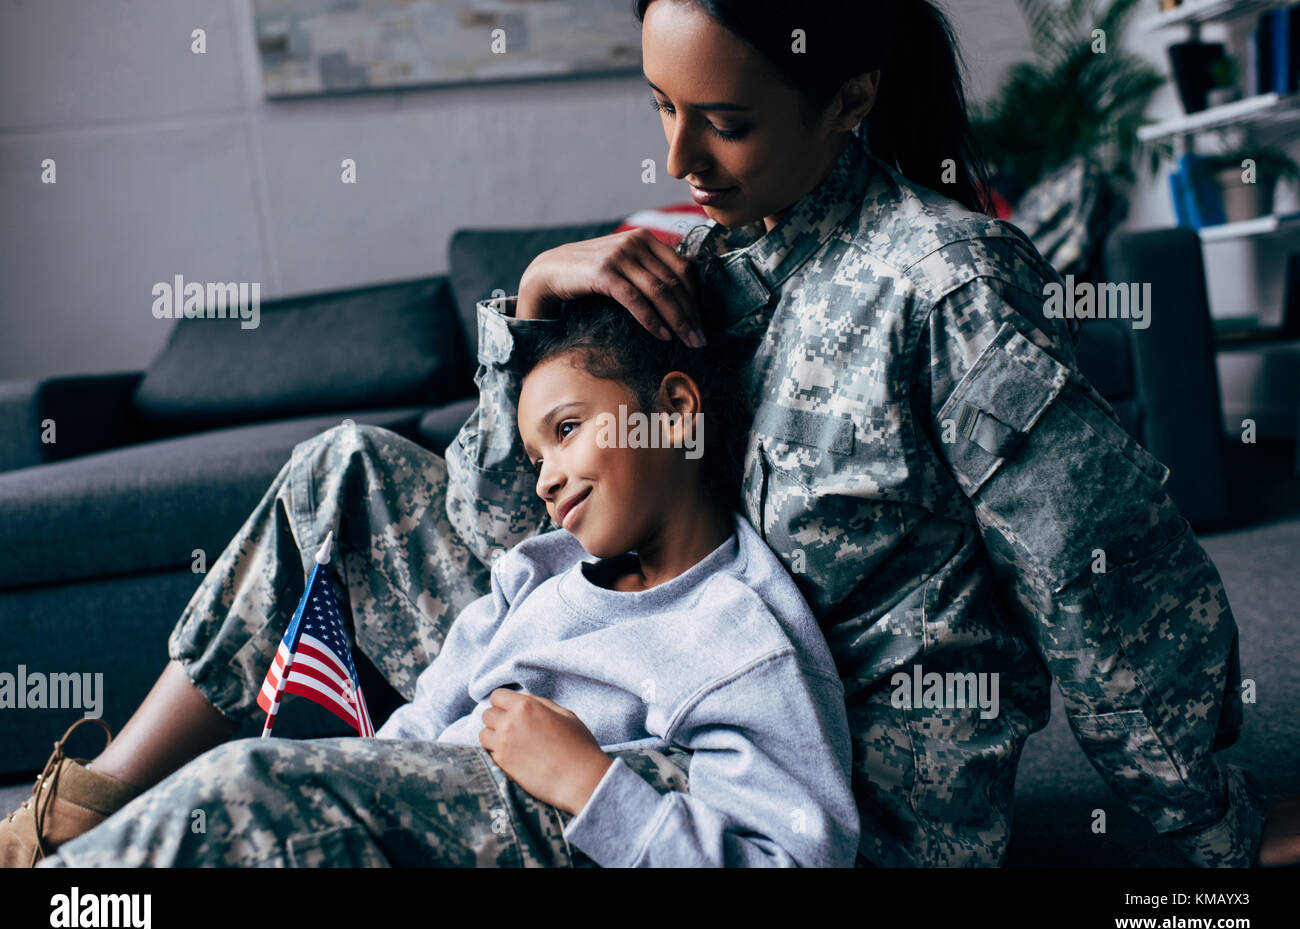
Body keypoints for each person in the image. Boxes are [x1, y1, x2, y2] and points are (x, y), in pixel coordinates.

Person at [5, 0, 1295, 868]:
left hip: (788, 792)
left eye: (722, 121)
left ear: (846, 100)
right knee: (336, 469)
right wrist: (535, 303)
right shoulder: (694, 253)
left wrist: (1208, 841)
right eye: (660, 108)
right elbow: (510, 523)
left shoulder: (950, 287)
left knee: (255, 800)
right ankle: (95, 803)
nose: (682, 155)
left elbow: (1107, 578)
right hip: (634, 653)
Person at [27, 295, 859, 868]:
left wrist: (590, 784)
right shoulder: (543, 568)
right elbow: (433, 704)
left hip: (546, 815)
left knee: (245, 784)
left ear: (674, 413)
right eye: (539, 457)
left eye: (568, 431)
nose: (545, 479)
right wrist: (366, 778)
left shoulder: (739, 641)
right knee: (270, 793)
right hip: (426, 800)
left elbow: (792, 855)